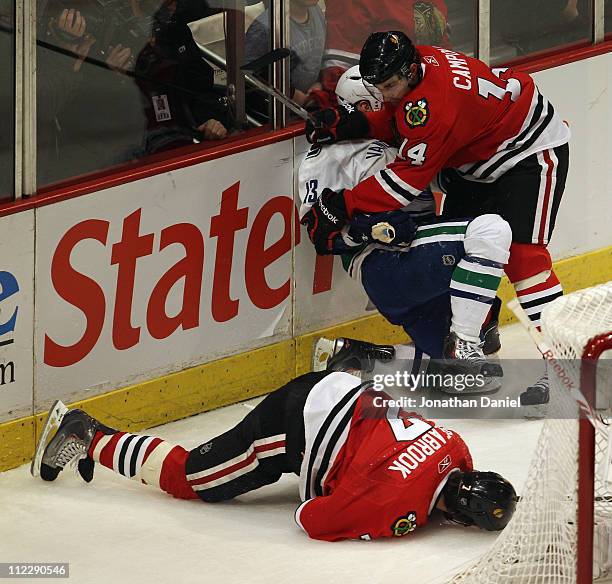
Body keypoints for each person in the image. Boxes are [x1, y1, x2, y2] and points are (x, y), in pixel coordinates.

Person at [303, 31, 571, 403]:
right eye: (377, 88)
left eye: (390, 85)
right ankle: (475, 334)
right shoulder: (416, 70)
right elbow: (403, 116)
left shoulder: (434, 103)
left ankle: (567, 371)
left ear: (411, 71)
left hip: (526, 151)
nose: (385, 95)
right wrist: (360, 125)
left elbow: (401, 185)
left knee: (524, 258)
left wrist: (342, 205)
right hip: (475, 159)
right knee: (467, 246)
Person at [32, 369, 517, 541]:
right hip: (295, 422)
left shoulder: (458, 449)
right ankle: (86, 433)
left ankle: (340, 356)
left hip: (348, 390)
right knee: (194, 479)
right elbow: (309, 517)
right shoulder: (393, 507)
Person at [300, 66, 509, 378]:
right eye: (380, 99)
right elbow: (320, 233)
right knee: (491, 232)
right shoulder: (327, 156)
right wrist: (368, 229)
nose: (391, 104)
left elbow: (449, 175)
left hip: (417, 263)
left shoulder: (401, 139)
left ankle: (355, 357)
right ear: (362, 106)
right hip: (388, 263)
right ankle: (462, 345)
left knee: (477, 370)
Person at [318, 0, 449, 105]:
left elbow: (442, 48)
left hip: (435, 95)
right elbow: (341, 77)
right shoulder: (350, 4)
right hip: (388, 108)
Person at [245, 0, 326, 107]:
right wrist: (291, 94)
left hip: (312, 102)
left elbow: (319, 54)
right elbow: (250, 77)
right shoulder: (265, 28)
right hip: (280, 111)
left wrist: (319, 82)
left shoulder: (315, 11)